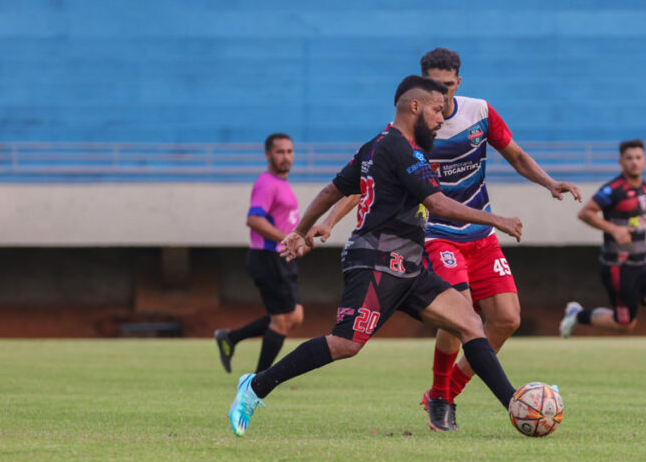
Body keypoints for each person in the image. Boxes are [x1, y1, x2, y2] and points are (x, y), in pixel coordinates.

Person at [226, 75, 524, 435]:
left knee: (470, 323)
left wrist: (301, 231)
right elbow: (437, 203)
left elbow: (332, 190)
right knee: (345, 343)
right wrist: (496, 219)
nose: (441, 118)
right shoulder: (402, 150)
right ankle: (255, 386)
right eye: (435, 109)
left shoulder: (375, 146)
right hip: (376, 261)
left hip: (408, 265)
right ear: (414, 106)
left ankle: (516, 406)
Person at [310, 48, 582, 430]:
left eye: (450, 85)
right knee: (461, 313)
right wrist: (329, 221)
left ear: (459, 82)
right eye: (436, 86)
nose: (444, 94)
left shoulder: (479, 112)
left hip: (481, 234)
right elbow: (365, 182)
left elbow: (516, 155)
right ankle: (443, 397)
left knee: (507, 319)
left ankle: (445, 391)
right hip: (437, 234)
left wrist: (550, 183)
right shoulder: (411, 131)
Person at [559, 139, 646, 373]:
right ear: (621, 161)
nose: (634, 162)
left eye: (638, 157)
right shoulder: (612, 189)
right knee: (625, 323)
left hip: (644, 262)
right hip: (619, 266)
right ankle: (578, 315)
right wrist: (613, 229)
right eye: (629, 158)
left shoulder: (645, 187)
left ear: (645, 160)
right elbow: (586, 213)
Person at [213, 133, 304, 375]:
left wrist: (299, 240)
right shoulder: (267, 183)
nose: (286, 157)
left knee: (294, 316)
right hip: (267, 257)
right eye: (280, 152)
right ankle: (258, 381)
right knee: (282, 321)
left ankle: (230, 338)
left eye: (289, 151)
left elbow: (284, 223)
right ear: (267, 154)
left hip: (281, 258)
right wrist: (286, 239)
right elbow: (254, 219)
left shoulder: (283, 184)